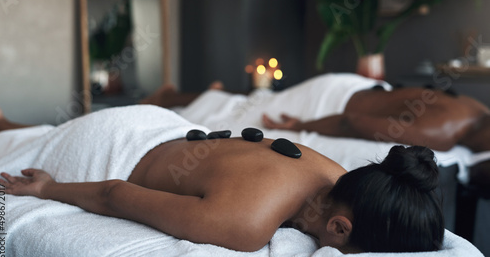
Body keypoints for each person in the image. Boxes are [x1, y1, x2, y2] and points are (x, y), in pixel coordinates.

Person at [0, 105, 443, 253]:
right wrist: (47, 189)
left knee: (37, 133)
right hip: (112, 147)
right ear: (339, 228)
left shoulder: (345, 178)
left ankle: (4, 123)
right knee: (22, 153)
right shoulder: (245, 224)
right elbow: (115, 194)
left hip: (162, 123)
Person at [141, 73, 490, 192]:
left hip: (361, 89)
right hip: (331, 103)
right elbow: (350, 122)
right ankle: (170, 99)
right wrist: (299, 127)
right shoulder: (443, 133)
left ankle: (175, 96)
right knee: (250, 110)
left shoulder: (480, 110)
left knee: (252, 101)